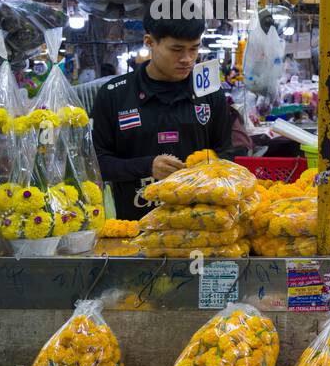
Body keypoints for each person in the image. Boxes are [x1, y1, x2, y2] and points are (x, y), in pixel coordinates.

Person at [91, 16, 234, 220]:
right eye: (176, 49)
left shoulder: (209, 92)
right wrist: (147, 167)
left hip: (200, 225)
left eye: (194, 49)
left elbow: (226, 153)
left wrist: (202, 169)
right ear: (149, 42)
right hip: (135, 227)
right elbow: (97, 163)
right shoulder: (114, 94)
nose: (187, 59)